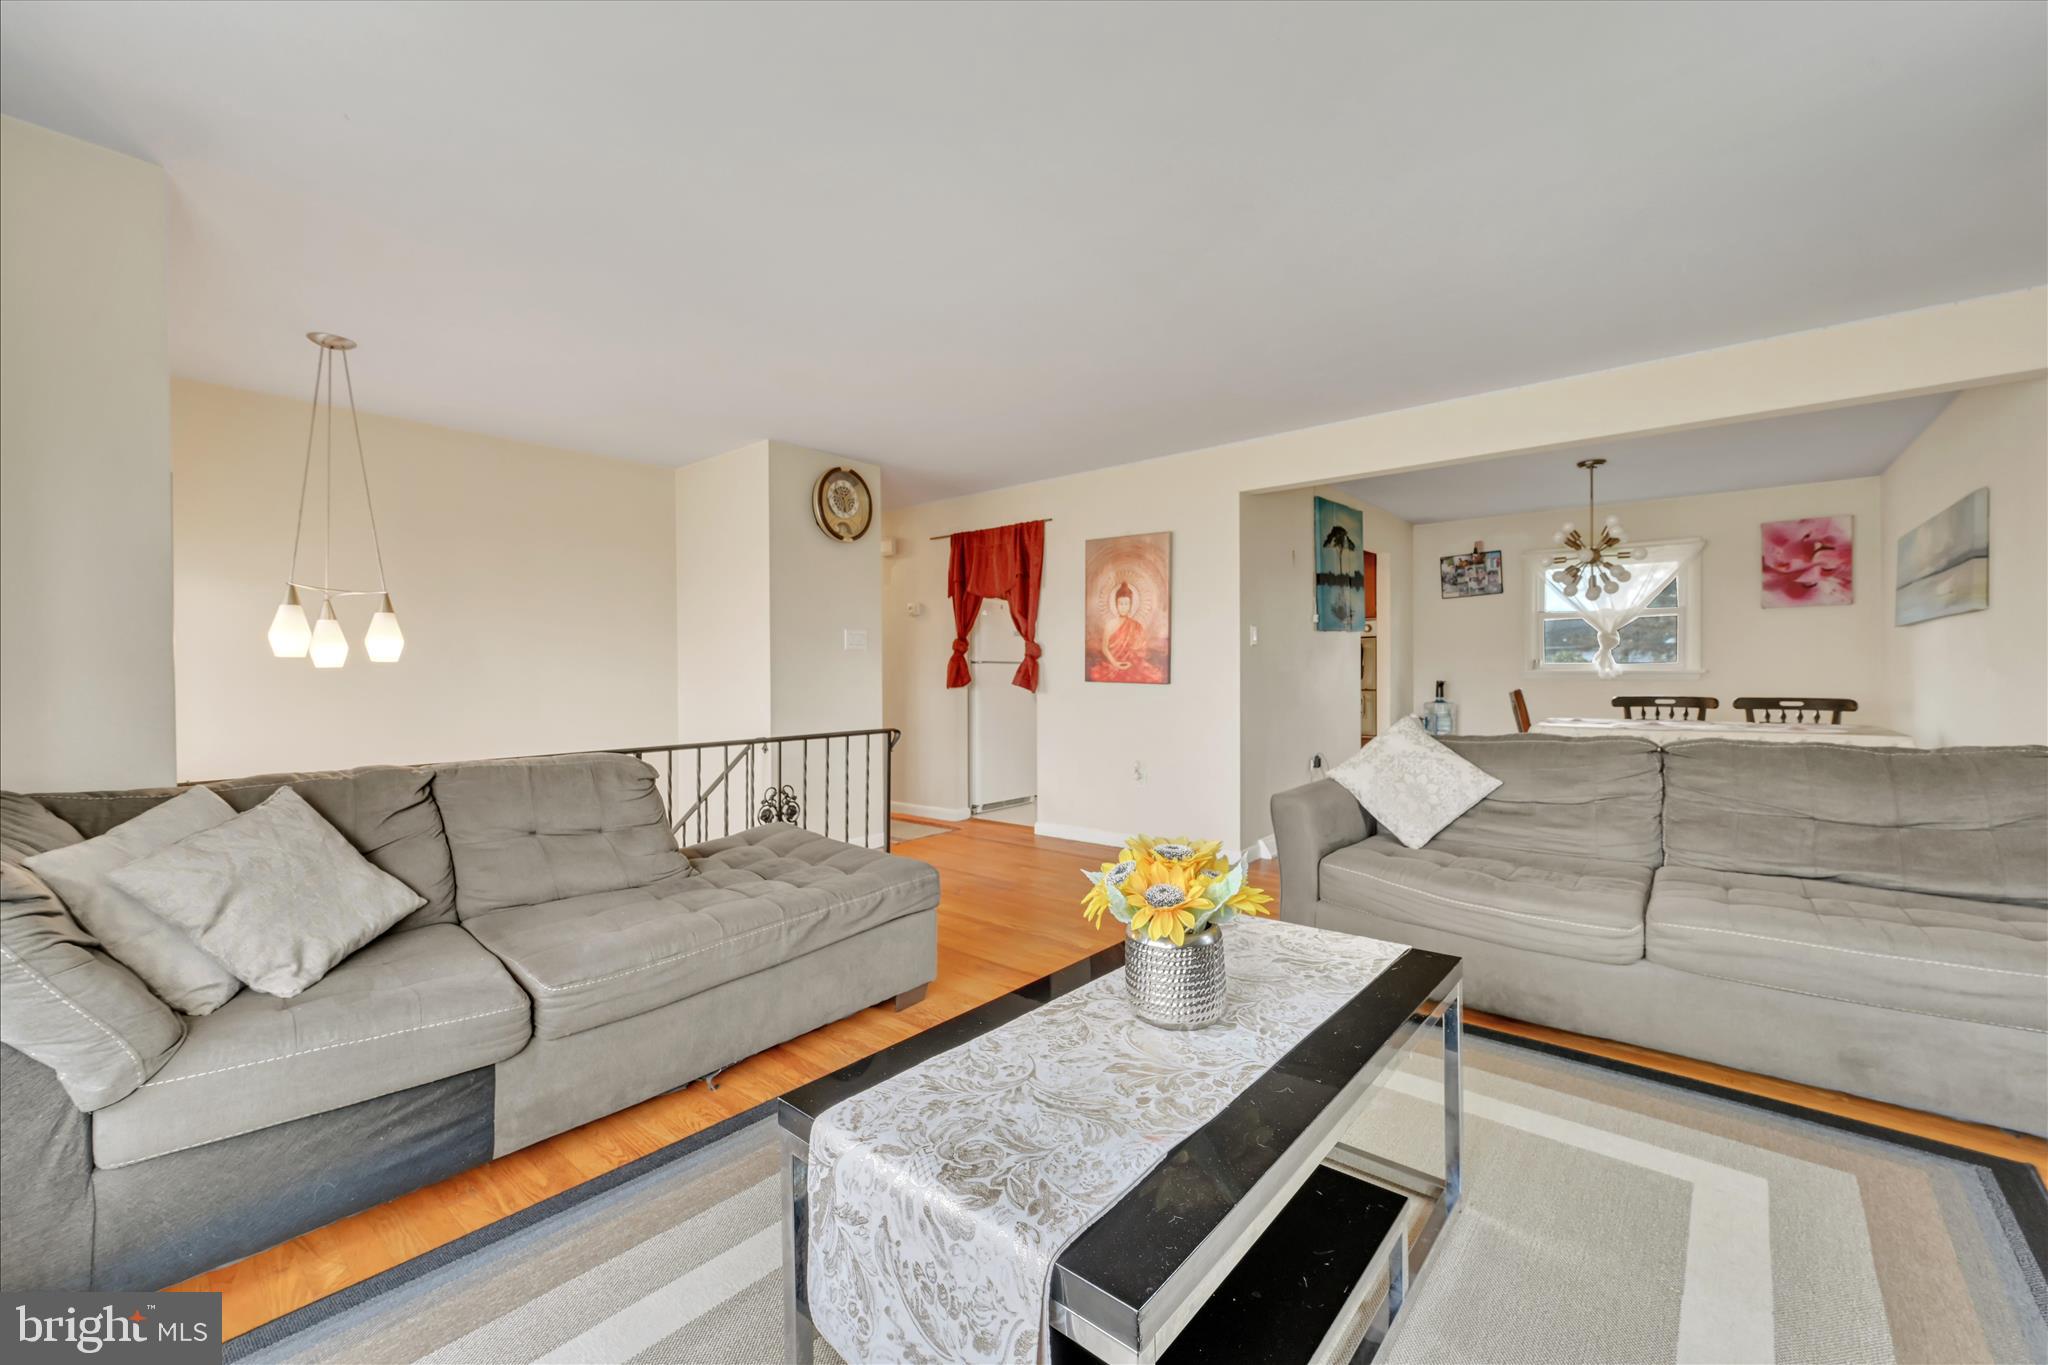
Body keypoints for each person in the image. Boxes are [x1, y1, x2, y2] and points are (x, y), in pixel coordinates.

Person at [1091, 580, 1164, 682]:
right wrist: (1115, 663)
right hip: (1113, 663)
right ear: (1116, 604)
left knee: (1153, 677)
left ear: (1130, 605)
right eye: (1121, 604)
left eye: (1126, 604)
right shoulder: (1110, 624)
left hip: (1133, 664)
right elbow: (1104, 647)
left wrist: (1132, 659)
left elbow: (1141, 649)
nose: (1123, 607)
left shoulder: (1136, 626)